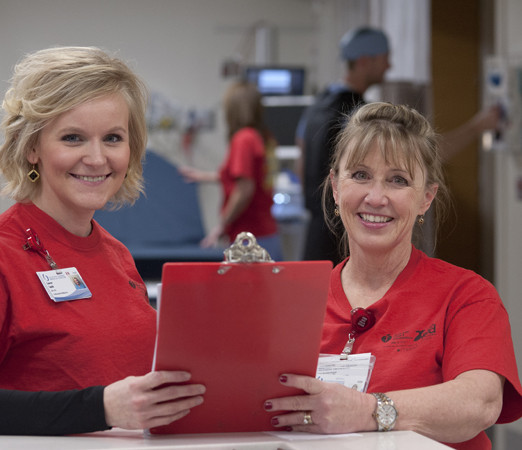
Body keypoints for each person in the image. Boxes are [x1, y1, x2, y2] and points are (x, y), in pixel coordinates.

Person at [0, 46, 205, 435]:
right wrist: (102, 408)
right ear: (32, 147)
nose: (96, 157)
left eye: (112, 138)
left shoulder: (115, 254)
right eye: (73, 138)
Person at [263, 103, 522, 449]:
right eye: (360, 175)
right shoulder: (295, 300)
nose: (376, 197)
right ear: (336, 188)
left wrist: (369, 411)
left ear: (426, 198)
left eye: (398, 180)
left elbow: (480, 403)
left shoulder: (466, 295)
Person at [299, 26, 502, 264]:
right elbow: (428, 157)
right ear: (365, 61)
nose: (390, 66)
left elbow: (301, 163)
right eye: (362, 175)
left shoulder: (318, 105)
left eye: (397, 180)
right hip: (343, 244)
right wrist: (477, 127)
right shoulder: (356, 117)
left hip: (316, 240)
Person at [179, 81, 283, 261]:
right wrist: (205, 176)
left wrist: (221, 225)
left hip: (249, 238)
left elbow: (244, 189)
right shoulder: (263, 137)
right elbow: (249, 177)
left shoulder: (243, 139)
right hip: (267, 235)